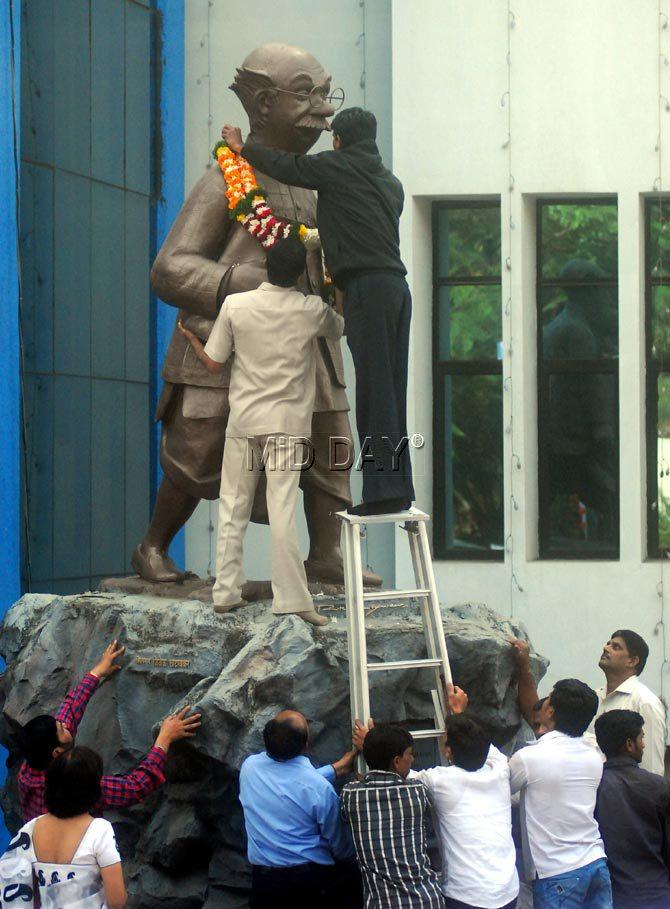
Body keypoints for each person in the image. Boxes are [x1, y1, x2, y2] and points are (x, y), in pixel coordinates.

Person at [133, 43, 380, 593]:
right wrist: (236, 282)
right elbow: (168, 269)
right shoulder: (226, 178)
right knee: (196, 451)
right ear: (264, 103)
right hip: (226, 343)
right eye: (306, 94)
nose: (322, 108)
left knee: (330, 442)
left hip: (308, 342)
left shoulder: (320, 183)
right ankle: (153, 543)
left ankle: (328, 552)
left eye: (324, 93)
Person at [222, 105, 415, 516]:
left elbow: (288, 166)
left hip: (368, 291)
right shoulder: (391, 184)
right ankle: (397, 490)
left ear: (339, 140)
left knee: (375, 392)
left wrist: (242, 148)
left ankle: (382, 496)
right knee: (392, 390)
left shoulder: (337, 167)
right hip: (397, 290)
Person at [178, 237, 343, 626]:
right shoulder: (309, 309)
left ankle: (226, 591)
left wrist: (191, 339)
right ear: (299, 271)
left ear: (267, 266)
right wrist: (329, 277)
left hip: (244, 421)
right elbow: (341, 325)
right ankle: (291, 600)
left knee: (232, 504)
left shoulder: (237, 305)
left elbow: (214, 362)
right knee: (283, 510)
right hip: (286, 425)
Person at [15, 640, 201, 821]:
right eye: (61, 729)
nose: (64, 724)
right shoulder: (74, 785)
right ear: (57, 752)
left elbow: (70, 710)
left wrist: (97, 672)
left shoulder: (31, 766)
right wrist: (164, 739)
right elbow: (134, 787)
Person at [238, 709, 361, 908]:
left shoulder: (249, 768)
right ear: (305, 746)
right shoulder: (318, 788)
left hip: (265, 885)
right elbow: (340, 845)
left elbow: (289, 786)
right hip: (310, 885)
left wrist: (334, 769)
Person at [509, 679, 612, 909]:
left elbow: (499, 790)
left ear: (551, 711)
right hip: (595, 861)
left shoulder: (529, 758)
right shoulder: (594, 757)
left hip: (556, 871)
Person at [1, 746, 126, 908]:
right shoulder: (100, 830)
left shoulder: (30, 830)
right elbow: (117, 901)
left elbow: (11, 885)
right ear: (94, 788)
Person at [341, 723, 443, 908]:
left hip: (383, 903)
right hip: (426, 899)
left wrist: (372, 748)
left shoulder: (351, 794)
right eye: (410, 754)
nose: (412, 759)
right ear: (396, 761)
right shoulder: (417, 791)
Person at [595, 709, 670, 909]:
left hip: (610, 895)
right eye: (641, 738)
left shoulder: (593, 787)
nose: (643, 744)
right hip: (656, 893)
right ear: (630, 744)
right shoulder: (659, 787)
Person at [587, 629, 667, 775]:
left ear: (632, 661)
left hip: (625, 796)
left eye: (616, 647)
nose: (606, 648)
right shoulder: (593, 697)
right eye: (608, 644)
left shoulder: (645, 702)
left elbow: (651, 770)